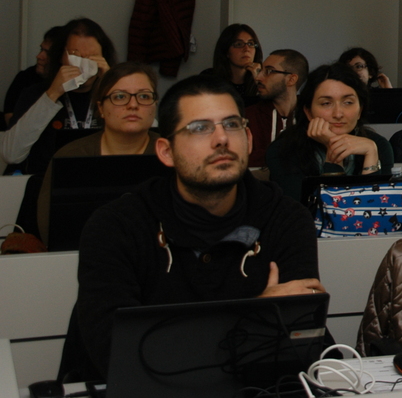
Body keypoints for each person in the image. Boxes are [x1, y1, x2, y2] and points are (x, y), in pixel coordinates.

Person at [72, 74, 324, 380]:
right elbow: (119, 355)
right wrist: (258, 315)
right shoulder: (117, 226)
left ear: (249, 139)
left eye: (232, 125)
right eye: (200, 128)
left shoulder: (287, 219)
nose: (221, 139)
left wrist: (178, 340)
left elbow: (294, 350)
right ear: (166, 152)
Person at [36, 61, 161, 240]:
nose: (133, 105)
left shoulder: (174, 154)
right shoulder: (71, 156)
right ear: (101, 108)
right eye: (120, 97)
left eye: (144, 96)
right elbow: (51, 227)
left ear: (155, 104)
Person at [266, 63, 394, 203]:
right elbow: (307, 212)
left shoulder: (377, 145)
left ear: (360, 110)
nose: (338, 114)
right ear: (308, 112)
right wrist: (333, 149)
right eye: (326, 103)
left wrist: (371, 154)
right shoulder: (282, 150)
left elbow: (376, 210)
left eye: (348, 102)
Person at [3, 19, 114, 168]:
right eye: (75, 55)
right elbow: (11, 154)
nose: (83, 64)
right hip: (46, 177)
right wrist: (52, 94)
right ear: (61, 56)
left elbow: (141, 140)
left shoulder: (113, 94)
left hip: (100, 176)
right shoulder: (35, 93)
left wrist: (113, 86)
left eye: (92, 57)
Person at [243, 49, 309, 167]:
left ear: (291, 79)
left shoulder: (311, 116)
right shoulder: (248, 116)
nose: (258, 77)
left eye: (269, 71)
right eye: (261, 70)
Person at [3, 26, 59, 124]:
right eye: (41, 49)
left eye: (48, 53)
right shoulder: (24, 78)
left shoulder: (70, 84)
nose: (39, 56)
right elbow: (10, 120)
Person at [202, 23, 263, 105]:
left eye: (250, 44)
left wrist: (259, 79)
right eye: (239, 44)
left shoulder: (263, 78)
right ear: (226, 51)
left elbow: (269, 109)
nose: (246, 49)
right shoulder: (208, 77)